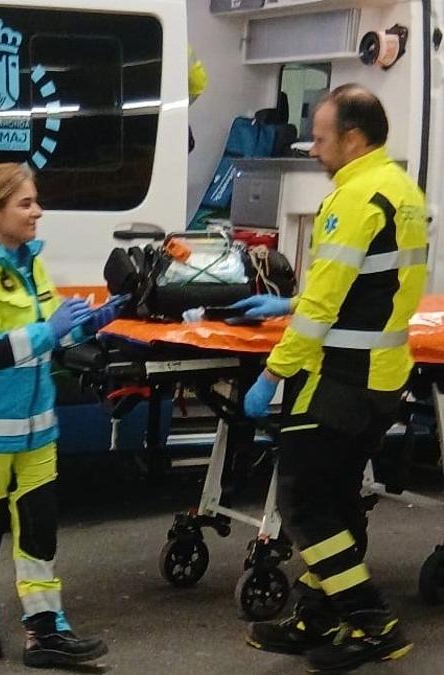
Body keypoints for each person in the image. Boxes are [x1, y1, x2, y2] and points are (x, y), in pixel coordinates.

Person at [230, 84, 427, 672]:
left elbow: (325, 306)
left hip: (337, 378)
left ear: (353, 137)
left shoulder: (355, 195)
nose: (312, 148)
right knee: (337, 500)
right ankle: (315, 613)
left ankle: (371, 622)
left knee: (304, 502)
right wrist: (289, 304)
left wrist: (272, 371)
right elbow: (363, 288)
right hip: (383, 377)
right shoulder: (403, 191)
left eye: (319, 137)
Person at [0, 163, 124, 667]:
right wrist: (49, 331)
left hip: (36, 430)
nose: (38, 211)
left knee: (39, 533)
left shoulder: (31, 266)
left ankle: (46, 632)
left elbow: (54, 337)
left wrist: (99, 321)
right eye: (25, 203)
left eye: (35, 201)